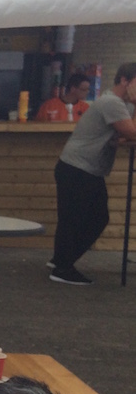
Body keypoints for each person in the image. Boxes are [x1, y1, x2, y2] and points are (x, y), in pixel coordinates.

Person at [49, 61, 136, 285]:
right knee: (86, 218)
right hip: (78, 167)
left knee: (79, 218)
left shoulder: (123, 105)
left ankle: (61, 260)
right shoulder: (112, 102)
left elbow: (122, 134)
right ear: (125, 81)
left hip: (84, 168)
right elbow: (132, 132)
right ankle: (62, 267)